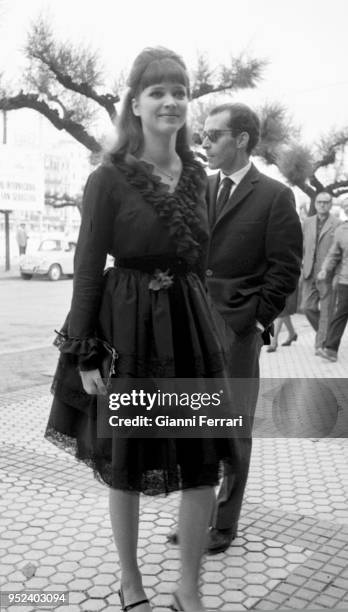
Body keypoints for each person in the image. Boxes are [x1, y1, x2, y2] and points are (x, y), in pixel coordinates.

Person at [45, 47, 237, 612]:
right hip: (127, 328)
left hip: (188, 326)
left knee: (203, 460)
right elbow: (85, 268)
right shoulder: (107, 179)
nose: (171, 101)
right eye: (157, 91)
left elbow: (201, 261)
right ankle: (131, 581)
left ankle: (188, 588)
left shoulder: (199, 176)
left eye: (180, 91)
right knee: (126, 461)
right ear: (135, 102)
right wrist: (83, 352)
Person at [167, 103, 303, 554]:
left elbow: (286, 269)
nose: (203, 143)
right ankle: (194, 516)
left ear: (242, 138)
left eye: (213, 135)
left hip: (237, 327)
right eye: (202, 135)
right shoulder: (199, 188)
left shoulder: (275, 196)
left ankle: (224, 521)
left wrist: (256, 320)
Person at [301, 191, 341, 354]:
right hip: (309, 272)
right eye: (319, 202)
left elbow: (340, 251)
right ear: (315, 203)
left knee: (326, 312)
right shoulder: (307, 222)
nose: (322, 205)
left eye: (326, 202)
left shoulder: (337, 224)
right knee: (307, 308)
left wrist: (337, 274)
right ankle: (326, 335)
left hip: (328, 274)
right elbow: (302, 246)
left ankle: (320, 345)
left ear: (331, 205)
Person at [317, 198, 348, 362]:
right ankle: (330, 350)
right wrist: (324, 269)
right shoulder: (341, 230)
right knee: (340, 314)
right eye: (346, 206)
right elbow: (333, 254)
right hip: (345, 280)